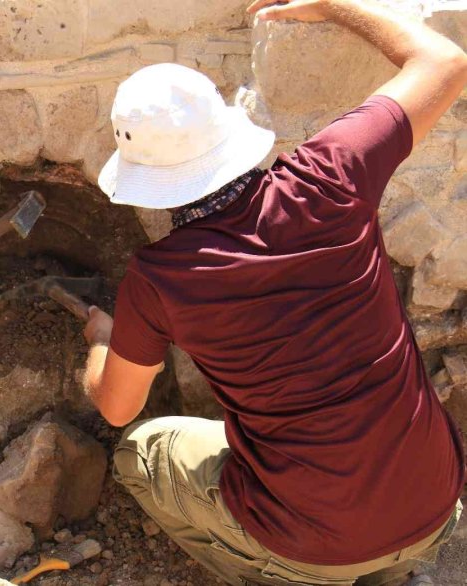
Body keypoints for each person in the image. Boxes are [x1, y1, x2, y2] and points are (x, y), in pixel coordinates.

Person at [82, 1, 467, 584]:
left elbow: (116, 407)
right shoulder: (331, 176)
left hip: (317, 540)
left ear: (147, 179)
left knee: (140, 452)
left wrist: (101, 344)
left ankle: (287, 573)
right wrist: (330, 5)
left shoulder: (160, 280)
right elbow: (444, 61)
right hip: (436, 501)